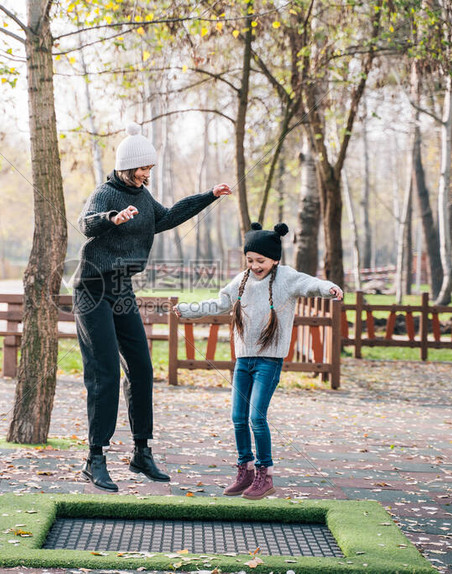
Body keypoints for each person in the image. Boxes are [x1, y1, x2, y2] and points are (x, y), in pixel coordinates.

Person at [74, 122, 232, 492]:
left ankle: (141, 453)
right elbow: (86, 224)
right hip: (92, 290)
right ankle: (94, 458)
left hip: (122, 289)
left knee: (142, 368)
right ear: (126, 166)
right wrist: (112, 218)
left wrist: (208, 195)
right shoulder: (106, 193)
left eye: (150, 169)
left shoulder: (143, 197)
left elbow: (168, 217)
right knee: (105, 373)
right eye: (142, 168)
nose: (147, 174)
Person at [173, 223, 343, 500]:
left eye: (260, 261)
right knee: (238, 418)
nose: (254, 266)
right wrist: (187, 310)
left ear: (275, 259)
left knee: (256, 417)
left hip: (269, 361)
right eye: (250, 260)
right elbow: (219, 303)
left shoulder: (286, 278)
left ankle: (265, 474)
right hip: (244, 360)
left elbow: (311, 284)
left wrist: (330, 288)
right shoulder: (241, 281)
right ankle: (246, 470)